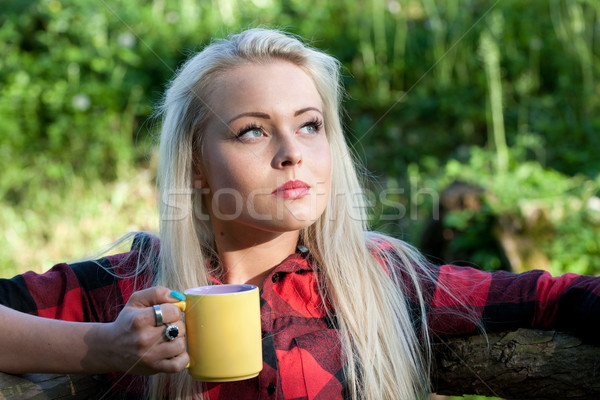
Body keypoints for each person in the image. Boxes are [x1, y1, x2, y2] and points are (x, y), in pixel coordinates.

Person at [1, 28, 599, 400]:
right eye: (252, 131)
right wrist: (103, 347)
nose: (293, 153)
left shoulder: (374, 278)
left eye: (310, 125)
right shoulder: (137, 290)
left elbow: (556, 295)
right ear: (196, 168)